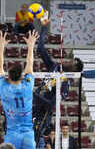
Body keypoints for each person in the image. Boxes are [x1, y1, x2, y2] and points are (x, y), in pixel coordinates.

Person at [33, 11, 83, 146]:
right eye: (70, 60)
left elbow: (51, 104)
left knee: (35, 136)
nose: (68, 61)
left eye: (72, 63)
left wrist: (35, 94)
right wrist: (44, 27)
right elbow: (41, 49)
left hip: (44, 113)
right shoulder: (55, 67)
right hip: (34, 105)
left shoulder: (66, 85)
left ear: (73, 70)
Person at [0, 30, 39, 149]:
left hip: (12, 135)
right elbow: (29, 64)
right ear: (22, 76)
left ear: (8, 77)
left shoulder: (4, 87)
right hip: (28, 135)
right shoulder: (28, 86)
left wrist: (1, 46)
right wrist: (31, 45)